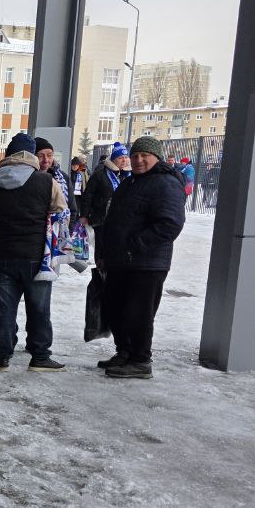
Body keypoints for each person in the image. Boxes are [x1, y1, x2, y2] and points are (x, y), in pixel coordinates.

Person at [0, 132, 69, 372]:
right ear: (32, 155)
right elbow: (61, 212)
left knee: (4, 309)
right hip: (37, 257)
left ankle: (2, 355)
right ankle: (40, 357)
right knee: (39, 309)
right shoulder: (46, 181)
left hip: (1, 256)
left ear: (8, 155)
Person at [96, 136, 186, 378]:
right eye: (135, 155)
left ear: (156, 157)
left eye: (145, 155)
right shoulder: (131, 182)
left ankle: (140, 360)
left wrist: (134, 245)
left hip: (146, 263)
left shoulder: (166, 184)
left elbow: (170, 224)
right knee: (115, 308)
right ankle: (125, 351)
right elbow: (114, 220)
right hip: (121, 261)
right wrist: (105, 252)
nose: (138, 160)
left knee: (138, 313)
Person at [82, 143, 131, 340]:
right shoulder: (101, 174)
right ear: (114, 159)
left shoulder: (128, 175)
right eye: (120, 158)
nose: (124, 161)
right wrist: (85, 214)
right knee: (102, 252)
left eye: (126, 158)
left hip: (121, 225)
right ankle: (102, 270)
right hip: (101, 221)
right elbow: (89, 194)